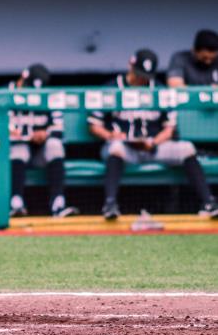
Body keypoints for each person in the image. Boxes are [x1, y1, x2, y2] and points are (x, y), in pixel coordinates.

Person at [88, 49, 218, 220]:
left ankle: (209, 202)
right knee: (116, 147)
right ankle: (110, 204)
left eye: (146, 75)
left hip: (155, 147)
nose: (142, 78)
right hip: (125, 148)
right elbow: (94, 124)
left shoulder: (159, 90)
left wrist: (155, 142)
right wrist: (111, 135)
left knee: (186, 148)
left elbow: (169, 127)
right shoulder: (111, 89)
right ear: (131, 65)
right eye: (139, 73)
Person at [9, 64, 78, 218]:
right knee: (19, 148)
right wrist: (21, 134)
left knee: (55, 145)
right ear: (22, 79)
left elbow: (59, 129)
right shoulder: (5, 94)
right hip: (14, 156)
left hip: (40, 154)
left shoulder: (48, 97)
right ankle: (16, 203)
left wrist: (45, 133)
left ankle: (58, 204)